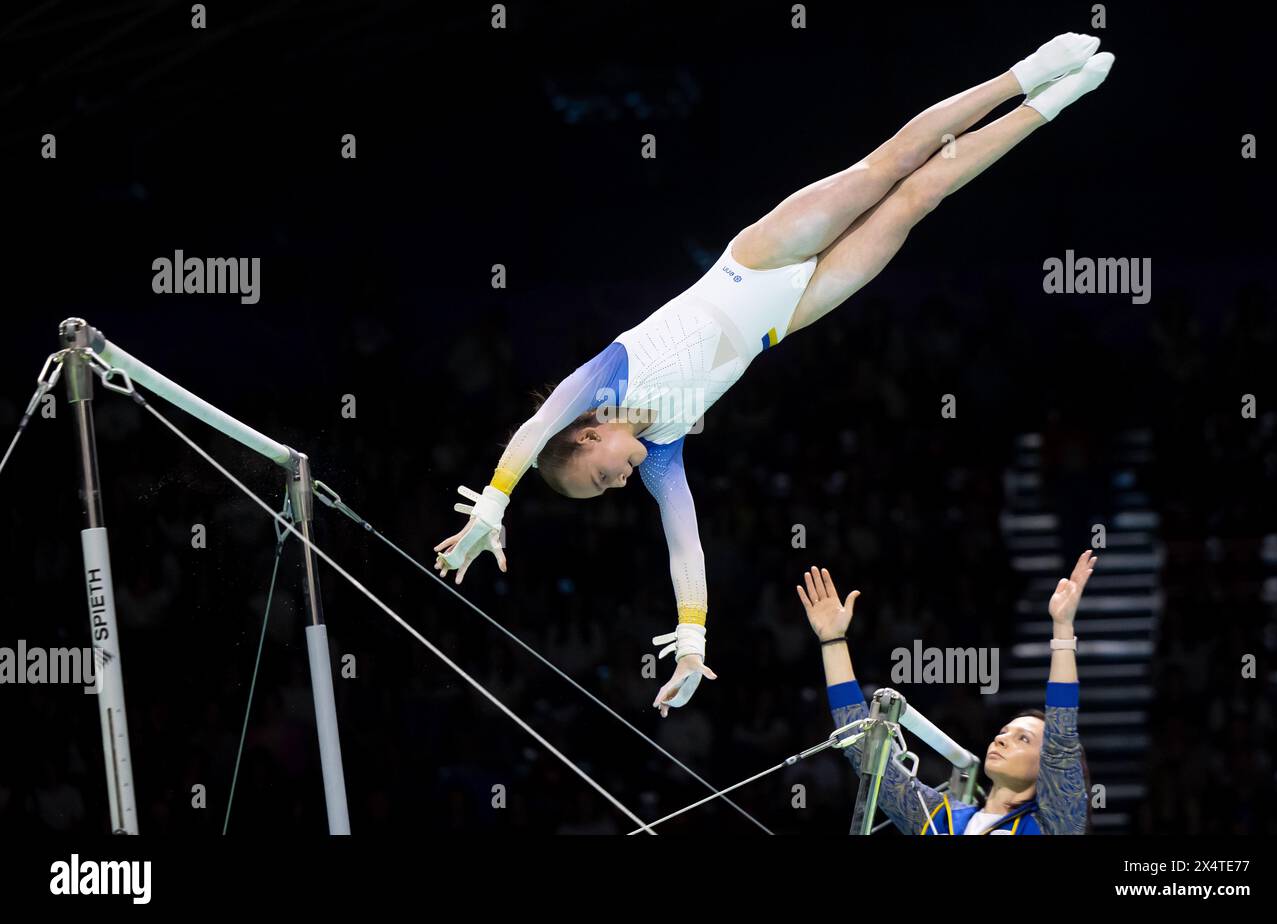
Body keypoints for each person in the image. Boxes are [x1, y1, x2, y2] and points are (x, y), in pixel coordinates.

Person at [436, 35, 1115, 716]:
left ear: (587, 436)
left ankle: (1023, 74)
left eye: (598, 476)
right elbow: (685, 548)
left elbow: (536, 424)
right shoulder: (663, 453)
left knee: (887, 167)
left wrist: (494, 502)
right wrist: (694, 640)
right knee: (915, 201)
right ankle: (1056, 102)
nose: (616, 484)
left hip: (755, 261)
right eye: (609, 491)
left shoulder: (605, 378)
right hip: (789, 314)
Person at [798, 551, 1095, 834]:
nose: (1002, 739)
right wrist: (834, 640)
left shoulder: (1055, 825)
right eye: (1005, 731)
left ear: (1046, 768)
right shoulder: (935, 817)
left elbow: (1061, 738)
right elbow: (862, 745)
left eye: (1023, 739)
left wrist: (1063, 628)